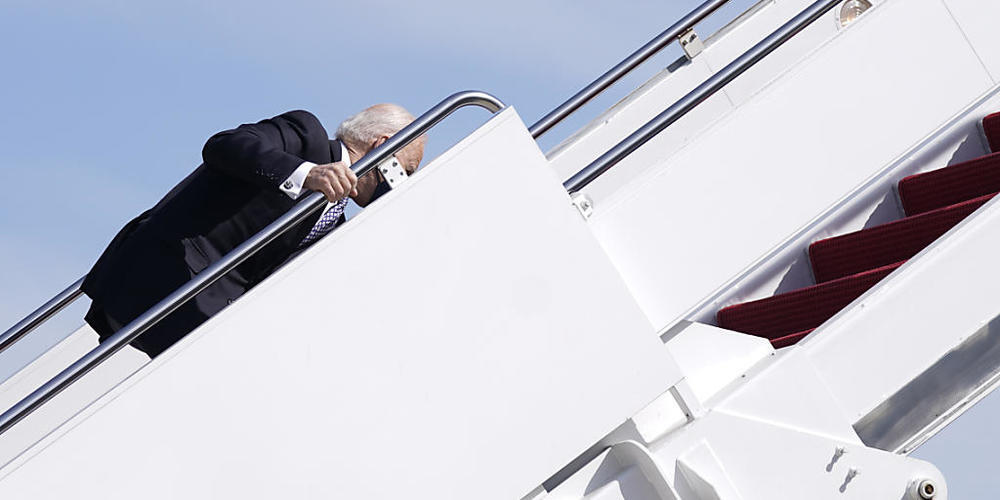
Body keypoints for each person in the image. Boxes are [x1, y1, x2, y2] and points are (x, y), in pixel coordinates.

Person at [81, 104, 426, 358]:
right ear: (383, 145)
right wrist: (305, 174)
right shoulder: (306, 137)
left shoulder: (335, 224)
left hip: (207, 315)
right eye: (405, 171)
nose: (402, 184)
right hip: (168, 275)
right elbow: (224, 145)